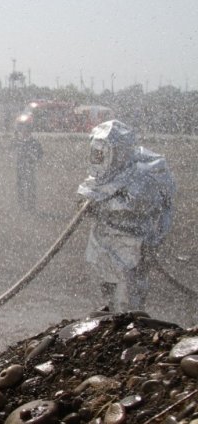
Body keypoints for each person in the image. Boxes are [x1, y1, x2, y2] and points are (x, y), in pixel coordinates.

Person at [77, 120, 175, 312]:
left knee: (127, 289)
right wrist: (83, 202)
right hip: (103, 238)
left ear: (117, 152)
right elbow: (89, 189)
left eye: (100, 154)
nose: (97, 158)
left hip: (130, 242)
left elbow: (135, 206)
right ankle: (113, 313)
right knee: (106, 280)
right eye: (95, 154)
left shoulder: (141, 176)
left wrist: (100, 206)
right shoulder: (105, 174)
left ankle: (128, 324)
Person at [12, 120, 43, 211]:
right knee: (21, 185)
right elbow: (11, 150)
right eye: (22, 129)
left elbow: (40, 154)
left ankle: (31, 205)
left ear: (29, 131)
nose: (24, 132)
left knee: (30, 185)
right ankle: (21, 205)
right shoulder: (18, 141)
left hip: (29, 166)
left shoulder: (33, 142)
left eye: (26, 130)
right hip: (20, 166)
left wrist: (33, 158)